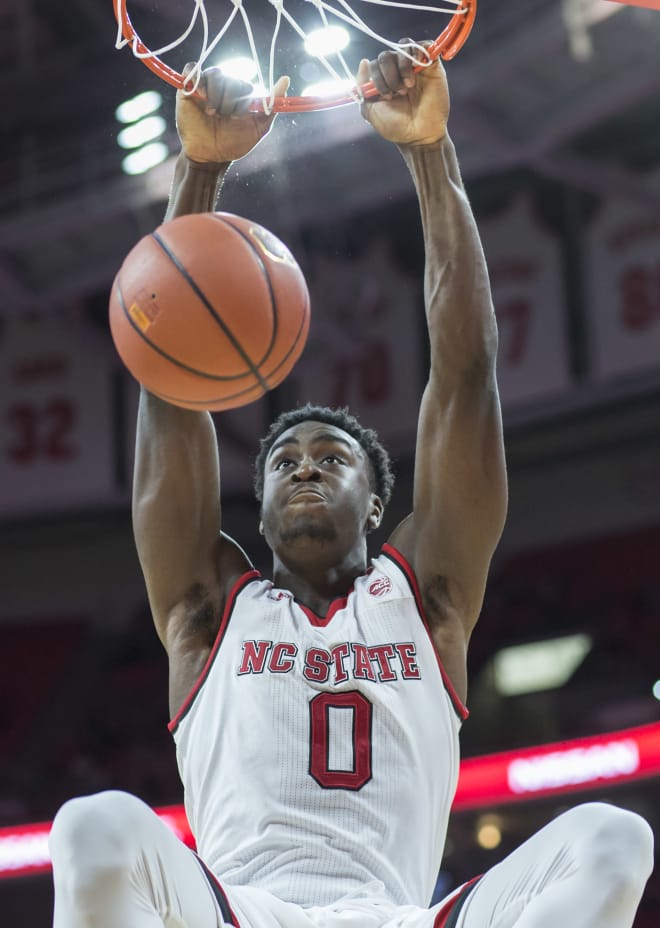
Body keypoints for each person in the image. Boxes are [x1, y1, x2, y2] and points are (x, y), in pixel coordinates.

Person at [49, 49, 654, 928]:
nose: (302, 466)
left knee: (613, 838)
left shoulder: (428, 596)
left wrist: (429, 152)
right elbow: (169, 384)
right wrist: (201, 172)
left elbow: (465, 372)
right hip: (240, 914)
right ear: (252, 513)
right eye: (284, 461)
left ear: (378, 504)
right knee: (92, 826)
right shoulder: (207, 608)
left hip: (396, 915)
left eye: (332, 458)